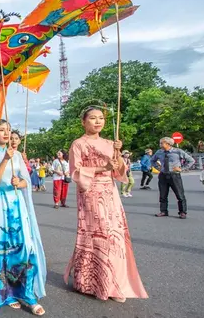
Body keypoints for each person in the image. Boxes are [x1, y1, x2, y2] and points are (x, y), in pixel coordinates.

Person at [66, 106, 147, 302]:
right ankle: (90, 282)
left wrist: (118, 155)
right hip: (90, 193)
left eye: (101, 118)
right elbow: (76, 172)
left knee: (116, 236)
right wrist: (102, 166)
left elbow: (119, 172)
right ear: (83, 122)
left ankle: (115, 283)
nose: (97, 121)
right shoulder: (78, 144)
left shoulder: (111, 144)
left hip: (110, 192)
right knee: (98, 235)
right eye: (92, 118)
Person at [0, 119, 47, 316]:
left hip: (17, 206)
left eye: (8, 130)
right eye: (1, 130)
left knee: (25, 247)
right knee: (3, 249)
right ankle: (6, 293)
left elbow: (26, 182)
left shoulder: (18, 155)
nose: (6, 133)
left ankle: (28, 294)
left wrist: (21, 182)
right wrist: (6, 159)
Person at [151, 137, 195, 219]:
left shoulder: (178, 151)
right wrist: (158, 168)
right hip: (163, 175)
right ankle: (163, 211)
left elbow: (191, 160)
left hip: (174, 175)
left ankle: (182, 212)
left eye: (162, 143)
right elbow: (152, 160)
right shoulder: (159, 152)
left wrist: (182, 169)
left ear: (168, 144)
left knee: (179, 194)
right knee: (163, 194)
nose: (160, 145)